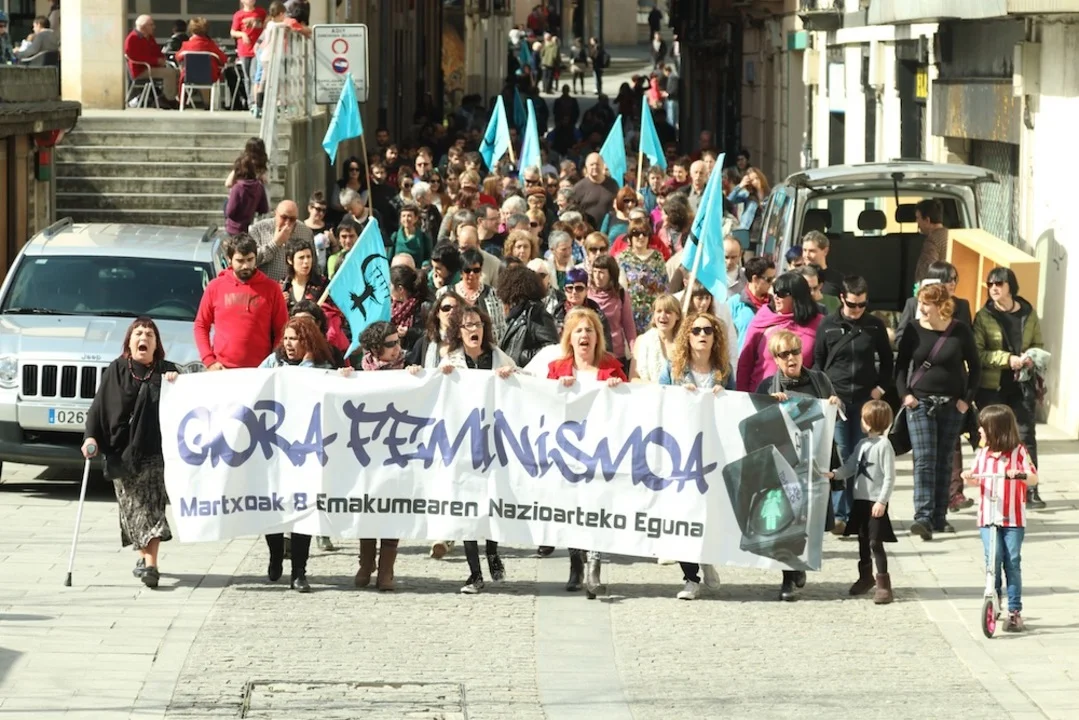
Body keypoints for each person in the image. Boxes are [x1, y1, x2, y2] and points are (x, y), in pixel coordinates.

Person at [415, 306, 517, 592]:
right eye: (468, 325)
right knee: (467, 506)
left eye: (478, 325)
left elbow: (524, 381)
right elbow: (433, 392)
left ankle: (493, 553)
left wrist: (512, 374)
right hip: (461, 444)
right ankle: (475, 573)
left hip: (493, 442)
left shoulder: (498, 357)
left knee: (492, 501)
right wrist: (441, 374)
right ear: (459, 332)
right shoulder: (451, 361)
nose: (474, 330)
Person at [82, 318, 180, 589]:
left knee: (152, 509)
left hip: (155, 452)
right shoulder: (116, 369)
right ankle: (144, 557)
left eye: (149, 334)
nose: (143, 337)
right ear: (129, 341)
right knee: (133, 511)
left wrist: (177, 381)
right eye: (138, 333)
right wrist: (90, 437)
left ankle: (151, 566)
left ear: (156, 344)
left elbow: (186, 402)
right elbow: (98, 407)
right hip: (121, 451)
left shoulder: (167, 371)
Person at [547, 307, 628, 597]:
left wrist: (619, 388)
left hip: (602, 451)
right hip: (568, 452)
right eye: (578, 330)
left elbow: (629, 407)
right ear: (570, 338)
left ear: (597, 337)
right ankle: (576, 565)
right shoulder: (557, 368)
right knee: (572, 508)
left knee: (597, 507)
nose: (584, 335)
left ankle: (594, 566)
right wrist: (557, 389)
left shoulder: (611, 366)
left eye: (589, 330)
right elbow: (541, 405)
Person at [756, 329, 841, 601]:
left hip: (813, 463)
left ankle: (799, 565)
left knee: (809, 519)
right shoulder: (767, 387)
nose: (791, 358)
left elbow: (835, 415)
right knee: (787, 520)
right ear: (775, 359)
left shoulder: (820, 380)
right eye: (784, 354)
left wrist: (834, 404)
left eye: (795, 351)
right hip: (783, 463)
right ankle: (788, 578)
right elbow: (757, 425)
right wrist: (770, 406)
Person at [257, 316, 341, 593]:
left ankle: (299, 572)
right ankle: (275, 553)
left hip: (307, 449)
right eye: (286, 338)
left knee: (303, 510)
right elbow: (251, 385)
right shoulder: (273, 362)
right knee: (273, 506)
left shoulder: (323, 367)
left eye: (295, 338)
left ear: (308, 340)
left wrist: (337, 375)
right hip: (275, 447)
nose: (288, 344)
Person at [896, 282, 981, 541]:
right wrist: (905, 396)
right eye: (920, 302)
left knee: (944, 460)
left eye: (926, 303)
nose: (921, 308)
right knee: (924, 460)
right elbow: (901, 367)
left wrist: (966, 400)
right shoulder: (913, 329)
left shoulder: (960, 331)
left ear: (941, 305)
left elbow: (975, 367)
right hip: (920, 403)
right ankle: (922, 516)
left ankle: (939, 516)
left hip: (952, 405)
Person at [656, 312, 731, 600]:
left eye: (708, 330)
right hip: (681, 451)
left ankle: (707, 557)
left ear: (715, 337)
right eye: (696, 330)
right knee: (683, 511)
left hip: (713, 451)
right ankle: (690, 577)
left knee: (709, 510)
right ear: (687, 335)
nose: (702, 335)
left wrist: (724, 396)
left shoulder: (724, 371)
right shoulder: (673, 369)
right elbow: (657, 400)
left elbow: (737, 406)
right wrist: (677, 394)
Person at [814, 276, 894, 535]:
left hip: (864, 400)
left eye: (862, 304)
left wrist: (880, 389)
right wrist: (826, 394)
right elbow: (818, 363)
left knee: (864, 457)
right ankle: (840, 514)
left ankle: (858, 514)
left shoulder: (874, 325)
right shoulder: (828, 324)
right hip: (836, 400)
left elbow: (888, 361)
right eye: (852, 304)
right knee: (843, 454)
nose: (857, 309)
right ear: (842, 299)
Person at [972, 267, 1047, 510]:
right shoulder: (984, 316)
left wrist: (1031, 357)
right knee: (992, 436)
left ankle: (1030, 489)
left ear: (1010, 286)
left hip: (1022, 384)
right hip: (992, 386)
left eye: (999, 284)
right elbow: (978, 352)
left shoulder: (1028, 313)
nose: (993, 288)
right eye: (990, 284)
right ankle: (993, 487)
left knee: (1026, 436)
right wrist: (1007, 359)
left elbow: (1038, 343)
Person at [961, 404, 1040, 632]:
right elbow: (975, 478)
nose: (980, 431)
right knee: (992, 560)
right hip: (988, 517)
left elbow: (1033, 478)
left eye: (983, 427)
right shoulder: (982, 453)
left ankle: (1014, 611)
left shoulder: (1018, 452)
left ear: (996, 429)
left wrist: (1020, 474)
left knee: (1012, 561)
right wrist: (968, 476)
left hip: (1013, 518)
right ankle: (993, 599)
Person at [826, 400, 898, 604]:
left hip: (875, 502)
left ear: (870, 421)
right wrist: (834, 474)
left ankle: (883, 584)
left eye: (863, 419)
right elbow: (850, 467)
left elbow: (889, 477)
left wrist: (882, 501)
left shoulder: (884, 445)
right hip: (860, 501)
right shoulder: (862, 444)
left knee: (876, 542)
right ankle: (865, 576)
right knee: (863, 540)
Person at [354, 321, 406, 591]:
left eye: (398, 341)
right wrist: (344, 379)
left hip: (397, 449)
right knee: (367, 506)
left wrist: (417, 376)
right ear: (375, 348)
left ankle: (386, 569)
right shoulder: (360, 370)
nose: (397, 348)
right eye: (390, 344)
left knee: (392, 507)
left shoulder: (408, 367)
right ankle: (366, 563)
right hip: (366, 449)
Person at [194, 234, 288, 371]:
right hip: (222, 370)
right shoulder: (215, 287)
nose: (246, 265)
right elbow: (201, 325)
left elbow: (282, 329)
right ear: (229, 260)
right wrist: (209, 361)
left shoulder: (272, 289)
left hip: (260, 371)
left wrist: (274, 361)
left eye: (250, 260)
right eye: (240, 261)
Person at [736, 272, 822, 392]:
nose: (776, 297)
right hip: (761, 394)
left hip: (800, 397)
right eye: (775, 292)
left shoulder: (818, 324)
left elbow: (821, 365)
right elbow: (745, 362)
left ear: (797, 296)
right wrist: (742, 394)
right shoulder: (763, 317)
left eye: (781, 294)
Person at [437, 247, 506, 343]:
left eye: (476, 270)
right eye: (467, 270)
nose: (472, 274)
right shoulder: (444, 293)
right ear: (461, 272)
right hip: (453, 346)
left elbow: (500, 329)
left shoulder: (493, 294)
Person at [496, 265, 559, 367]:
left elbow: (552, 348)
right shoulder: (517, 313)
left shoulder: (536, 313)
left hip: (528, 373)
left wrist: (521, 356)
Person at [617, 217, 670, 335]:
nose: (641, 237)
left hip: (654, 314)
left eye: (644, 233)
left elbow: (665, 285)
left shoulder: (657, 257)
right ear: (630, 236)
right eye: (636, 233)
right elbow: (620, 289)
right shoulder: (622, 258)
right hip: (631, 314)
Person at [589, 255, 636, 374]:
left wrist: (634, 353)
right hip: (593, 353)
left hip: (616, 354)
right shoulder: (587, 293)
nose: (597, 276)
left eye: (601, 273)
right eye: (595, 271)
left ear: (611, 274)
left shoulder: (621, 294)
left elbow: (629, 326)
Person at [250, 200, 316, 283]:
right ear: (275, 214)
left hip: (294, 288)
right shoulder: (259, 229)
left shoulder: (305, 232)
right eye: (284, 217)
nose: (287, 223)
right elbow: (251, 261)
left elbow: (313, 263)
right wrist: (276, 243)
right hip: (265, 286)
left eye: (292, 219)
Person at [125, 15, 179, 107]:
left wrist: (162, 58)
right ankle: (168, 99)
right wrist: (156, 61)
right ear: (143, 26)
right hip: (140, 70)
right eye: (151, 25)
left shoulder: (150, 37)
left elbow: (157, 51)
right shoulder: (132, 38)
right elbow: (136, 58)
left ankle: (164, 97)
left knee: (178, 72)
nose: (154, 27)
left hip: (152, 68)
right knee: (170, 73)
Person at [175, 17, 227, 106]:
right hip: (209, 75)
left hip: (189, 75)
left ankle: (182, 101)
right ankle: (209, 104)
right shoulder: (210, 45)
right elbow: (223, 59)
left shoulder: (186, 45)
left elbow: (178, 57)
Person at [631, 294, 681, 383]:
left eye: (668, 312)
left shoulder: (684, 344)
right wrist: (652, 386)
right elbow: (632, 379)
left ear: (677, 316)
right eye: (659, 311)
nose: (663, 315)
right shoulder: (641, 341)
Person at [224, 141, 270, 236]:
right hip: (247, 222)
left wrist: (236, 169)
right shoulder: (259, 183)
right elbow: (264, 208)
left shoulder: (238, 187)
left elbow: (230, 212)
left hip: (234, 227)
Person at [231, 0, 268, 105]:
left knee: (254, 74)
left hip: (258, 49)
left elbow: (266, 27)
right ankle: (250, 101)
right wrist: (243, 35)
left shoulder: (261, 12)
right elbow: (233, 32)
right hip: (244, 49)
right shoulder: (238, 15)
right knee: (247, 77)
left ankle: (256, 101)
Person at [571, 153, 620, 227]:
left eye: (597, 164)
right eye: (591, 164)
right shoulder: (578, 187)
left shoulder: (613, 184)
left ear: (603, 165)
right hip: (587, 229)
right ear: (586, 167)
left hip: (609, 228)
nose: (595, 167)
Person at [390, 265, 429, 355]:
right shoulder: (390, 305)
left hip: (415, 356)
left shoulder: (422, 306)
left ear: (400, 289)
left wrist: (409, 332)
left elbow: (431, 333)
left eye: (389, 285)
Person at [913, 198, 949, 286]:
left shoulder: (931, 241)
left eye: (918, 218)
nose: (916, 222)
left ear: (927, 220)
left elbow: (927, 273)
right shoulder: (952, 235)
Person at [801, 231, 844, 297]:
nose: (807, 255)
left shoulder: (838, 279)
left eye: (812, 251)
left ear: (825, 251)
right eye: (804, 250)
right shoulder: (796, 278)